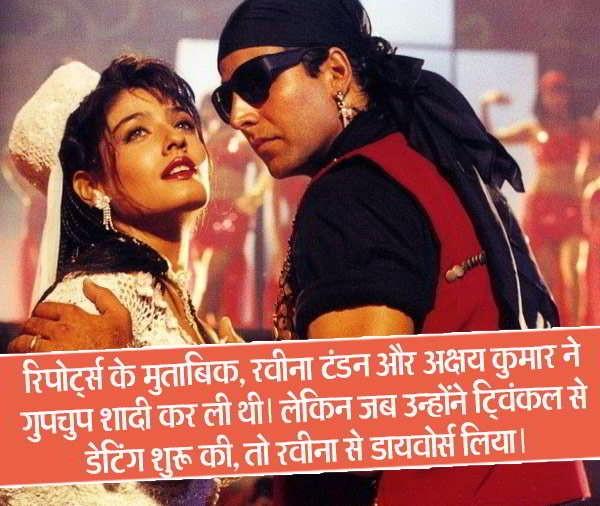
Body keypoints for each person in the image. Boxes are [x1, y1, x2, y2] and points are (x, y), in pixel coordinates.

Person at [213, 0, 590, 504]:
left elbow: (355, 432)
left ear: (335, 71)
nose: (240, 116)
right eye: (226, 99)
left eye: (256, 82)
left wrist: (241, 392)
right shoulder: (428, 160)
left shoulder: (353, 191)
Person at [3, 56, 221, 505]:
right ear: (91, 187)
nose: (175, 138)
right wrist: (115, 382)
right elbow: (35, 488)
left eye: (183, 122)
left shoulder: (168, 295)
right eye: (137, 132)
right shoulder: (89, 304)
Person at [480, 71, 588, 326]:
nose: (557, 98)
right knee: (547, 278)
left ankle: (578, 330)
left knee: (574, 272)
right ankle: (554, 330)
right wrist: (486, 104)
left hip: (571, 208)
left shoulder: (581, 127)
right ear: (543, 97)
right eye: (551, 92)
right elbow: (490, 138)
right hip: (541, 207)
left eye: (561, 91)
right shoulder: (533, 129)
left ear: (569, 95)